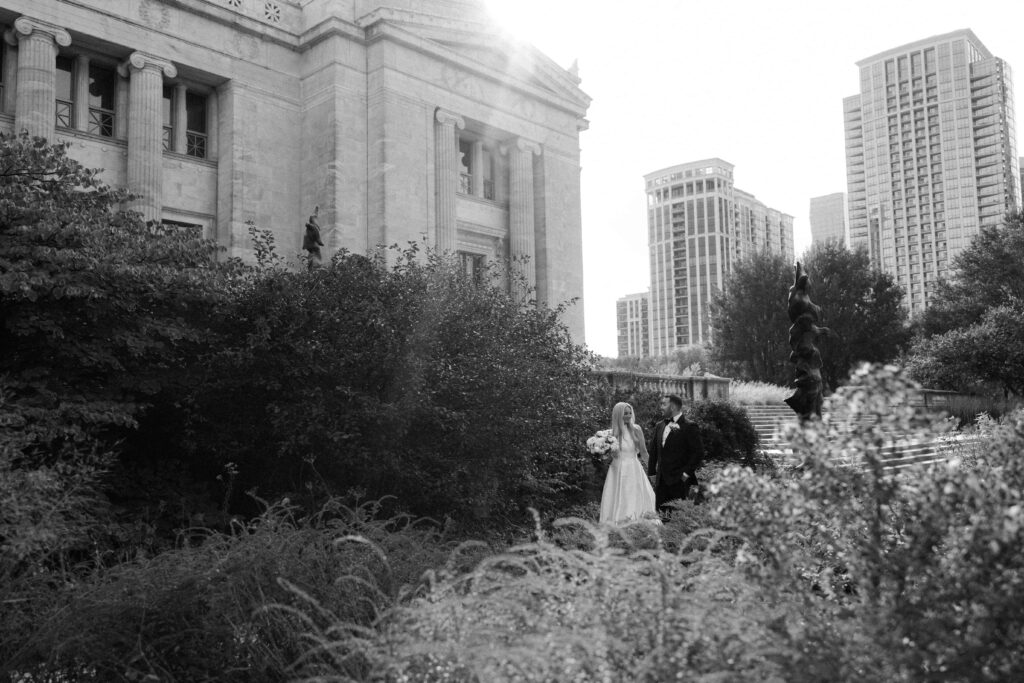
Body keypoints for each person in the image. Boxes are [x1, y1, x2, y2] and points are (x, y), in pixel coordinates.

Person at [599, 402, 659, 524]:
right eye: (625, 413)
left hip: (633, 469)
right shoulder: (610, 434)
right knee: (616, 499)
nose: (628, 415)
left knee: (634, 497)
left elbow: (644, 453)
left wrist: (654, 472)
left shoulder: (636, 429)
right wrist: (600, 451)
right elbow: (607, 457)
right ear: (618, 415)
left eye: (630, 412)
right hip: (617, 470)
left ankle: (638, 526)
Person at [648, 394, 704, 516]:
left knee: (679, 517)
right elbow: (654, 451)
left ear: (672, 407)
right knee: (662, 515)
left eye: (664, 404)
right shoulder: (659, 426)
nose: (661, 407)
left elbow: (698, 453)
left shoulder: (689, 426)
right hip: (661, 481)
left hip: (680, 482)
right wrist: (652, 472)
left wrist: (685, 474)